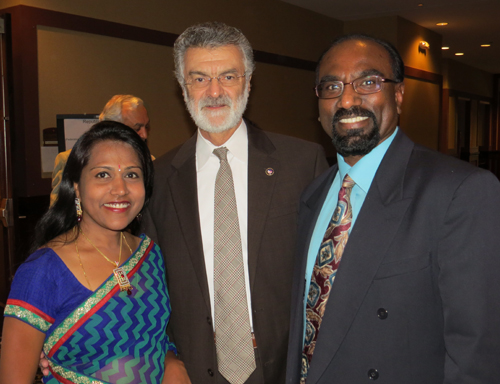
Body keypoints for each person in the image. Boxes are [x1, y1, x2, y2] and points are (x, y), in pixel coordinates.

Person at [285, 34, 500, 384]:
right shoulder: (313, 195)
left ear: (398, 95)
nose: (348, 99)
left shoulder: (459, 192)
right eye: (332, 86)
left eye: (368, 82)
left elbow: (478, 355)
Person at [142, 22, 328, 384]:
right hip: (193, 369)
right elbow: (149, 286)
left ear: (248, 80)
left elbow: (328, 274)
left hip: (286, 366)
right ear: (183, 87)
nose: (214, 91)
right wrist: (164, 356)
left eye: (228, 76)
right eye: (198, 79)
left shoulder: (303, 163)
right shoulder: (159, 178)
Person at [1, 121, 189, 383]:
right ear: (76, 185)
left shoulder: (151, 254)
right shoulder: (43, 271)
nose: (120, 189)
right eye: (103, 174)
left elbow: (155, 335)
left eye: (132, 175)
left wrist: (171, 362)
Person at [50, 94, 151, 206]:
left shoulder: (151, 161)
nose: (144, 135)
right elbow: (59, 214)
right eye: (137, 128)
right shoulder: (70, 159)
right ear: (112, 126)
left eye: (146, 127)